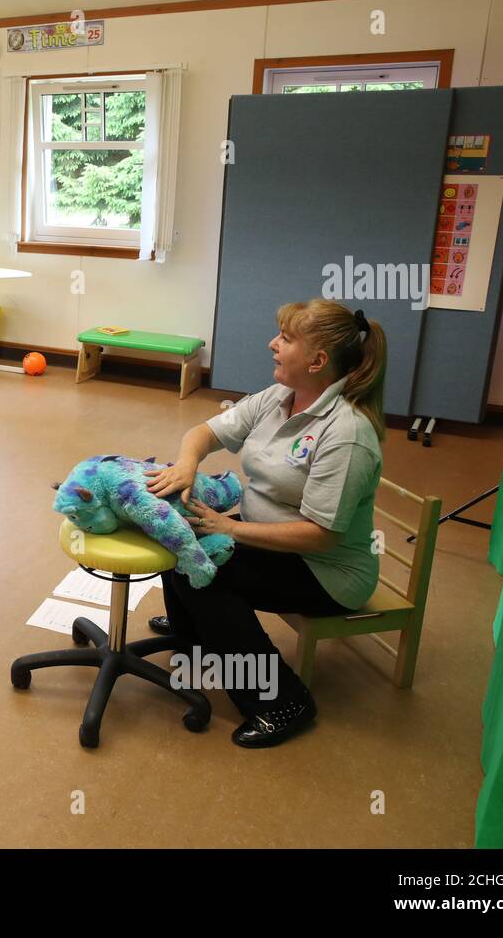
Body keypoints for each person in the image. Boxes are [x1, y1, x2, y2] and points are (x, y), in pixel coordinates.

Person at [147, 299, 387, 748]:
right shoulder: (280, 397)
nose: (272, 344)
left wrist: (231, 529)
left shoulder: (347, 434)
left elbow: (321, 535)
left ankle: (281, 701)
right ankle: (195, 635)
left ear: (317, 361)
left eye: (286, 339)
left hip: (327, 571)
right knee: (176, 529)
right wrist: (186, 465)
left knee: (209, 574)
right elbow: (205, 432)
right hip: (274, 543)